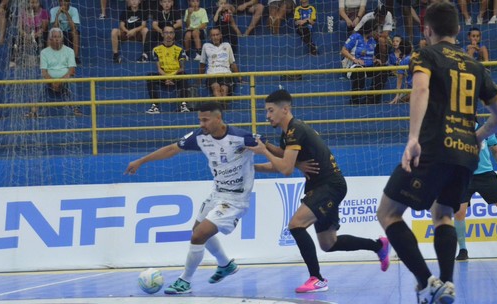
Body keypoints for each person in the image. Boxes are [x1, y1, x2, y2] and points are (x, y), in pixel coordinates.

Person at [376, 2, 497, 303]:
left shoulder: (425, 54)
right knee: (443, 215)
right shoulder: (476, 66)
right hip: (466, 155)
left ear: (427, 30)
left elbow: (420, 90)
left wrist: (413, 138)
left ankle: (426, 282)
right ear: (458, 30)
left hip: (435, 146)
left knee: (387, 212)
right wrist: (477, 136)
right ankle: (446, 284)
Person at [247, 89, 390, 293]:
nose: (267, 115)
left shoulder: (296, 130)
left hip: (328, 185)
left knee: (296, 225)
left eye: (270, 110)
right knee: (329, 243)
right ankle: (378, 246)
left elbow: (285, 168)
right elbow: (283, 161)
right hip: (322, 186)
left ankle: (317, 278)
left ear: (285, 109)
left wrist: (263, 151)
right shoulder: (286, 135)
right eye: (266, 111)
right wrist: (253, 167)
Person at [125, 101, 260, 295]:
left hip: (235, 199)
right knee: (197, 231)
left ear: (218, 118)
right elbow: (172, 149)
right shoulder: (199, 137)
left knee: (198, 236)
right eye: (199, 120)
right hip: (217, 193)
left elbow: (269, 148)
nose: (201, 124)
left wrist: (297, 162)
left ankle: (185, 281)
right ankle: (225, 264)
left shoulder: (240, 137)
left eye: (205, 120)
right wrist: (141, 161)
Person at [454, 122, 497, 261]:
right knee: (459, 213)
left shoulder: (486, 128)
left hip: (486, 176)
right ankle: (463, 250)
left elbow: (495, 149)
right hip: (464, 176)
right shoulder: (454, 130)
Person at [341, 19, 388, 104]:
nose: (377, 33)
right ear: (370, 30)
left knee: (383, 71)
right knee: (360, 72)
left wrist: (375, 59)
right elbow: (343, 51)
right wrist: (355, 59)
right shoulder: (355, 37)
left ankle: (371, 98)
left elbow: (370, 54)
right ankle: (355, 100)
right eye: (376, 31)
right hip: (355, 66)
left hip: (369, 66)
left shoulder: (373, 41)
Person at [146, 25, 190, 114]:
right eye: (166, 32)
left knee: (184, 75)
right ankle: (155, 106)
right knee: (150, 77)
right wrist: (167, 77)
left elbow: (181, 68)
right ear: (162, 34)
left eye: (171, 33)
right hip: (163, 76)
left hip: (176, 75)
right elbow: (159, 69)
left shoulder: (180, 49)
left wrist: (172, 77)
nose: (168, 35)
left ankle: (183, 105)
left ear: (174, 34)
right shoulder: (156, 49)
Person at [36, 27, 79, 117]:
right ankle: (34, 110)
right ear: (50, 39)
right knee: (39, 83)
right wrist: (53, 81)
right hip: (49, 80)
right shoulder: (44, 52)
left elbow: (71, 71)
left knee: (72, 82)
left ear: (62, 38)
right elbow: (44, 72)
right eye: (54, 37)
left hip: (65, 79)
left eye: (59, 37)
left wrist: (59, 80)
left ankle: (76, 109)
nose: (56, 39)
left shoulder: (70, 51)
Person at [199, 27, 241, 103]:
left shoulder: (227, 45)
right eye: (213, 35)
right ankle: (220, 109)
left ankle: (222, 110)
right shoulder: (206, 46)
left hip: (226, 73)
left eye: (217, 35)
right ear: (210, 37)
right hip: (212, 74)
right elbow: (202, 64)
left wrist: (240, 79)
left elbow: (232, 63)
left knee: (224, 89)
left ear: (221, 35)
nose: (215, 37)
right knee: (216, 87)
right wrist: (200, 80)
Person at [10, 0, 49, 68]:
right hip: (26, 35)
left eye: (36, 2)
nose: (34, 5)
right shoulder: (23, 13)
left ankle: (44, 60)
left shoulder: (44, 12)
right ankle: (13, 60)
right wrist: (25, 35)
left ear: (39, 3)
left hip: (38, 35)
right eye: (32, 2)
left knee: (45, 36)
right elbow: (20, 28)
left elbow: (44, 28)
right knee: (15, 39)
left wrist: (34, 35)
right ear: (29, 3)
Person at [50, 0, 81, 65]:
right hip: (59, 32)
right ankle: (54, 57)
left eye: (66, 1)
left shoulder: (74, 10)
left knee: (75, 32)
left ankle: (75, 57)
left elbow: (73, 28)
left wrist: (67, 13)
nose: (63, 3)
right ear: (59, 2)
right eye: (61, 1)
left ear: (69, 2)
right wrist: (57, 14)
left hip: (69, 32)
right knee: (54, 32)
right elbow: (55, 27)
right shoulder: (53, 10)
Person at [389, 39, 413, 104]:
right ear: (411, 48)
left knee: (401, 99)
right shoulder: (417, 57)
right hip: (422, 86)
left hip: (413, 88)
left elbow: (399, 79)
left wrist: (397, 95)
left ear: (400, 49)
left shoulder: (403, 61)